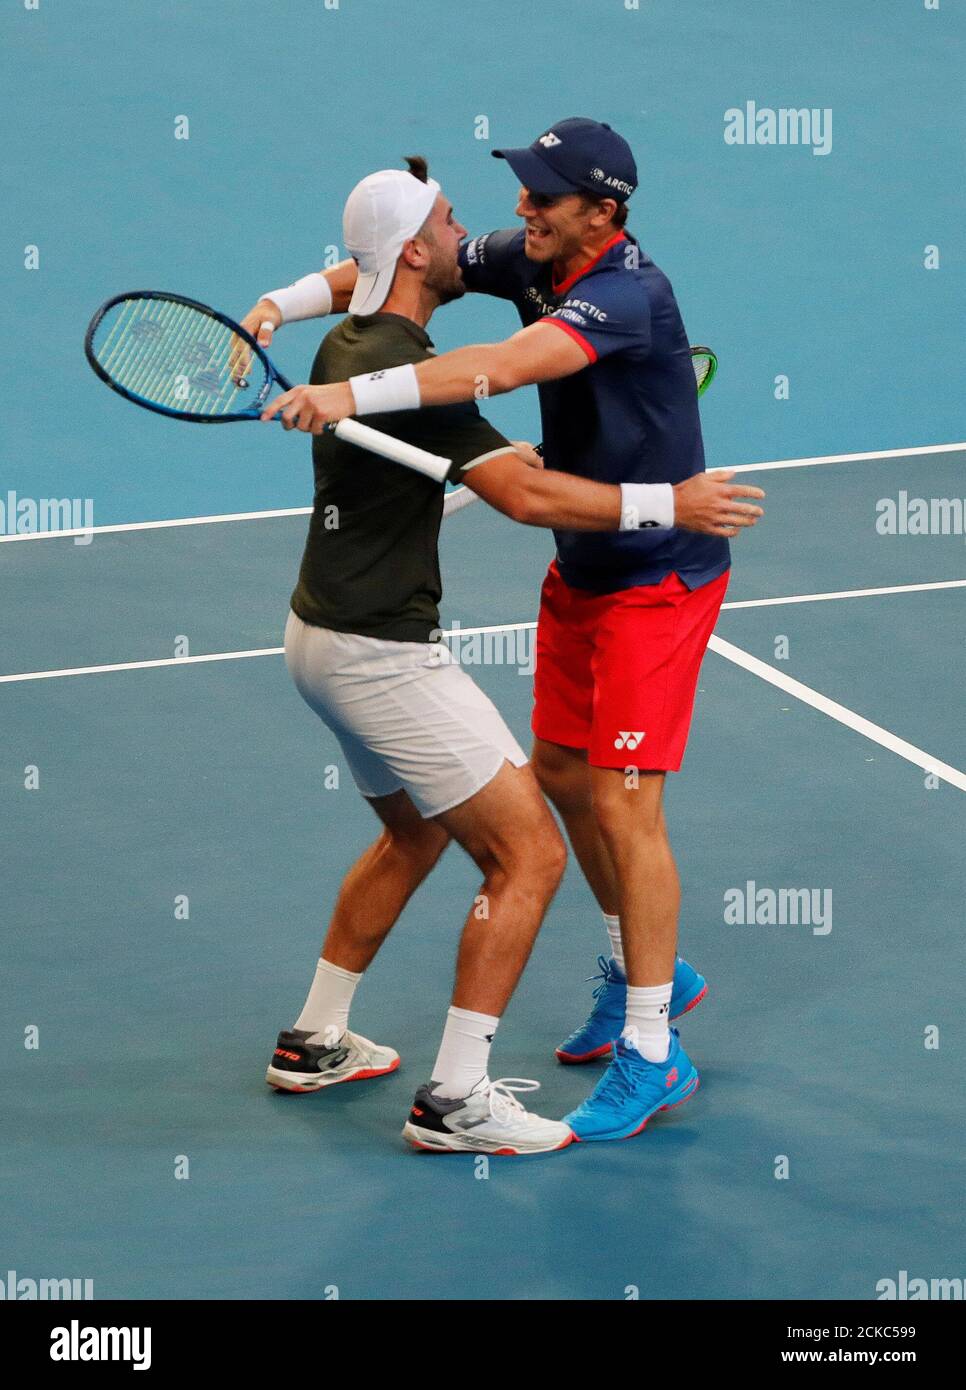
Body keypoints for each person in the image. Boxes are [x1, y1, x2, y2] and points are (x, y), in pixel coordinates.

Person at [257, 119, 765, 1145]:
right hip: (584, 571)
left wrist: (345, 393)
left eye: (543, 195)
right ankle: (639, 970)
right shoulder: (529, 250)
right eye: (520, 191)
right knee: (565, 777)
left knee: (624, 807)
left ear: (602, 212)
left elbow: (503, 364)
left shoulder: (626, 296)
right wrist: (276, 306)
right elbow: (372, 263)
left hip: (658, 577)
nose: (517, 210)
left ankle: (654, 1049)